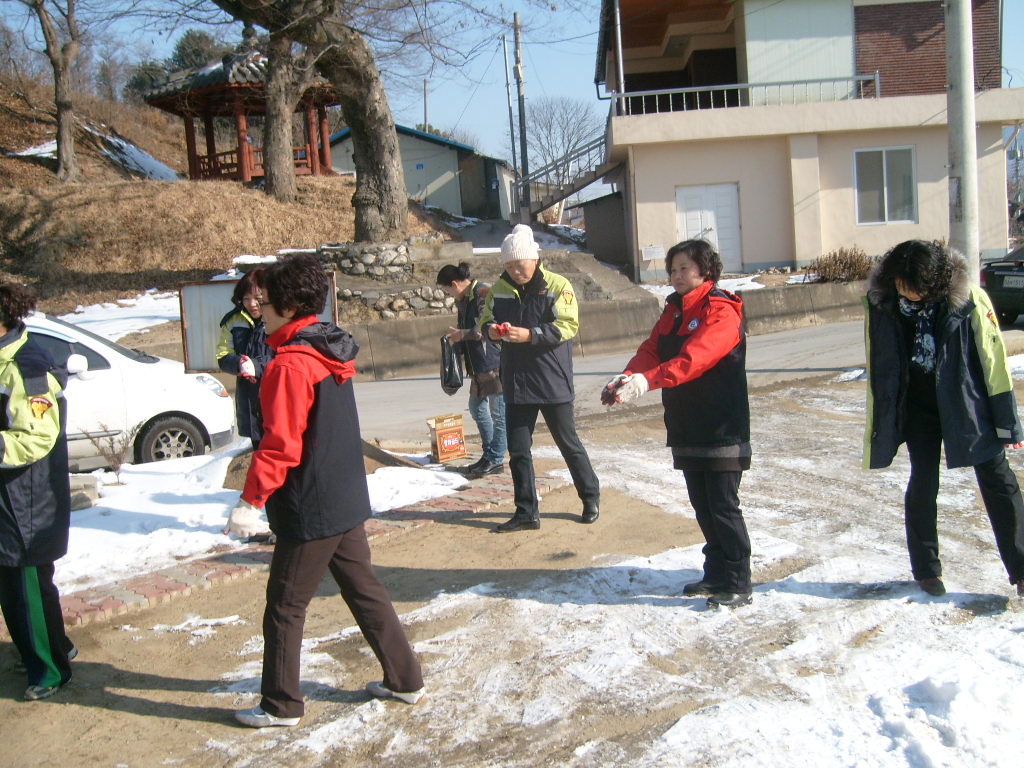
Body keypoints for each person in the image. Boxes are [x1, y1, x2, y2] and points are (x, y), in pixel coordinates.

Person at [225, 254, 423, 728]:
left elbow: (280, 445)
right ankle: (405, 679)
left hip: (310, 503)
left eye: (266, 302)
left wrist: (250, 501)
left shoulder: (290, 365)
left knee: (285, 606)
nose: (259, 310)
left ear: (290, 306)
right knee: (364, 589)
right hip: (342, 493)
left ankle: (281, 705)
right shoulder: (327, 346)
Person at [864, 239, 1024, 598]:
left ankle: (1022, 569)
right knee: (923, 482)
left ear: (933, 281)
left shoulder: (967, 300)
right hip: (919, 408)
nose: (906, 293)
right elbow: (883, 363)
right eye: (901, 284)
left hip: (968, 404)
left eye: (913, 287)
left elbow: (993, 361)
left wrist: (1006, 419)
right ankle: (926, 570)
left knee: (998, 480)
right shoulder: (885, 304)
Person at [604, 239, 753, 609]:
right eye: (672, 270)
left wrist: (648, 381)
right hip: (686, 421)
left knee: (723, 506)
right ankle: (715, 573)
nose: (677, 275)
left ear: (705, 269)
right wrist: (628, 376)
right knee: (702, 505)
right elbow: (652, 350)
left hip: (721, 425)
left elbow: (695, 358)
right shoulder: (672, 310)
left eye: (685, 268)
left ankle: (738, 580)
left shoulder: (720, 309)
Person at [481, 224, 600, 532]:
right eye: (509, 265)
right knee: (518, 451)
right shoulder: (498, 289)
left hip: (551, 379)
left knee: (568, 443)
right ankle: (526, 512)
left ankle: (590, 497)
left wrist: (530, 335)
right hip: (516, 381)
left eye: (519, 264)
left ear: (534, 259)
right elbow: (486, 320)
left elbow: (568, 325)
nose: (514, 270)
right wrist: (491, 331)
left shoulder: (558, 285)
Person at [0, 282, 76, 700]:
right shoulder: (5, 359)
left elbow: (37, 437)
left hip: (26, 502)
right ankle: (50, 646)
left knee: (26, 587)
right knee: (15, 587)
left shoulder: (25, 367)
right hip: (9, 498)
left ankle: (49, 670)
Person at [436, 262, 506, 477]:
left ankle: (495, 458)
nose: (449, 295)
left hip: (493, 363)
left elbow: (487, 328)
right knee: (477, 408)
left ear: (455, 284)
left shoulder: (482, 293)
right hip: (477, 365)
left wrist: (462, 334)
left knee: (499, 414)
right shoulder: (464, 300)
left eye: (447, 290)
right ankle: (489, 455)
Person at [216, 269, 273, 447]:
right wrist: (239, 364)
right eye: (246, 298)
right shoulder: (233, 320)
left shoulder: (277, 318)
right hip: (248, 396)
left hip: (274, 392)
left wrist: (257, 366)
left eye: (257, 298)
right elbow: (223, 356)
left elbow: (286, 354)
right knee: (257, 445)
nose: (252, 304)